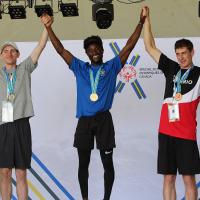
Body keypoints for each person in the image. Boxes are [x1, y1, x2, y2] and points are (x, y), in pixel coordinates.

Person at [41, 7, 146, 200]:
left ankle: (106, 198)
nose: (94, 52)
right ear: (87, 54)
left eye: (97, 49)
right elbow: (61, 50)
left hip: (104, 120)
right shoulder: (80, 67)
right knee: (83, 164)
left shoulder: (112, 66)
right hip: (84, 121)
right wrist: (48, 28)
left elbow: (129, 46)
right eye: (90, 51)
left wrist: (141, 22)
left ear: (102, 50)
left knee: (108, 163)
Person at [143, 6, 200, 200]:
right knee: (168, 178)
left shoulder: (199, 74)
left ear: (192, 52)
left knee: (188, 179)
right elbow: (149, 47)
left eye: (184, 53)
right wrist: (147, 20)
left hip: (186, 135)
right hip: (166, 132)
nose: (181, 57)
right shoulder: (171, 68)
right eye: (178, 53)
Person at [0, 18, 49, 200]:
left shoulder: (24, 68)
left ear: (18, 54)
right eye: (5, 50)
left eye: (13, 51)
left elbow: (41, 46)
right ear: (1, 55)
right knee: (4, 172)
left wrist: (46, 27)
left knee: (21, 173)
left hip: (21, 125)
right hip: (3, 126)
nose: (9, 53)